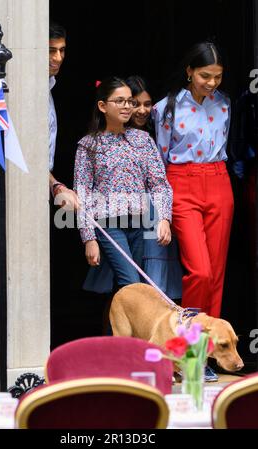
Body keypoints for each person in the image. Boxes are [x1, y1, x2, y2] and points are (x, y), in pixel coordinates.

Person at [153, 42, 234, 381]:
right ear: (189, 71)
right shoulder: (166, 108)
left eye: (217, 76)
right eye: (205, 76)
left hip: (218, 179)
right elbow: (160, 156)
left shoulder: (225, 104)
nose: (211, 83)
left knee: (215, 273)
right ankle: (187, 348)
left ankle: (204, 357)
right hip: (181, 181)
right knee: (198, 271)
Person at [74, 76, 172, 291]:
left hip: (139, 223)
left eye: (130, 101)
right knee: (132, 284)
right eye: (120, 101)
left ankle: (116, 326)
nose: (127, 106)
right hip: (108, 225)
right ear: (102, 106)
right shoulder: (88, 145)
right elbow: (82, 195)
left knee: (128, 286)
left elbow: (159, 184)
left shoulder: (143, 140)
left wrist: (164, 218)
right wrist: (89, 238)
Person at [126, 75, 183, 299]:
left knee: (155, 282)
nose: (142, 110)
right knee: (125, 288)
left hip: (156, 210)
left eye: (147, 104)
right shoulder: (114, 134)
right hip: (129, 213)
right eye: (135, 104)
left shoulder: (158, 131)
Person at [49, 22, 79, 210]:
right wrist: (55, 185)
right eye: (51, 50)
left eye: (62, 50)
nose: (58, 57)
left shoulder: (49, 86)